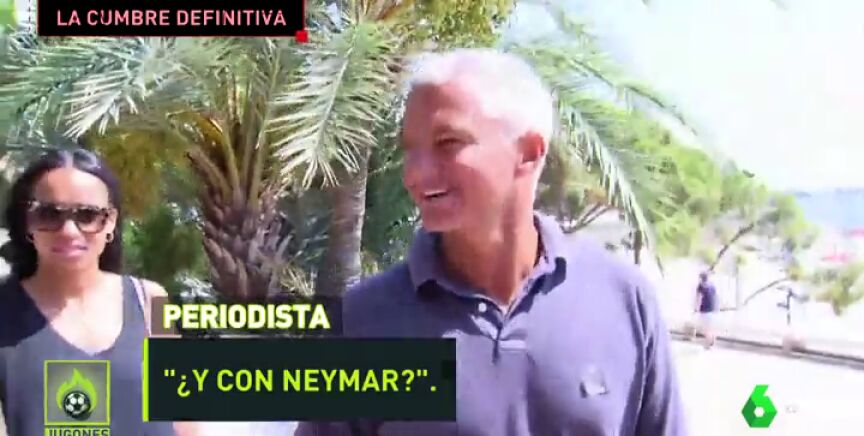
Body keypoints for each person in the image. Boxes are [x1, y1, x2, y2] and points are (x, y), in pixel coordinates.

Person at [296, 49, 686, 436]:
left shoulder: (624, 301)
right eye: (410, 150)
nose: (415, 174)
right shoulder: (363, 320)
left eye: (447, 142)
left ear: (528, 153)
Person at [0, 149, 189, 435]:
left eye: (87, 215)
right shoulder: (5, 310)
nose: (69, 231)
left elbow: (184, 415)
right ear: (28, 222)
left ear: (110, 222)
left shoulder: (151, 300)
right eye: (50, 214)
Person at [693, 271, 718, 349]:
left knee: (706, 329)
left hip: (704, 310)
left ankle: (707, 345)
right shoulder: (712, 285)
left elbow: (698, 298)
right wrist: (716, 308)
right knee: (711, 328)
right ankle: (712, 342)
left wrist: (695, 309)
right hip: (712, 309)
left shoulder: (700, 286)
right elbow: (715, 297)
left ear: (701, 278)